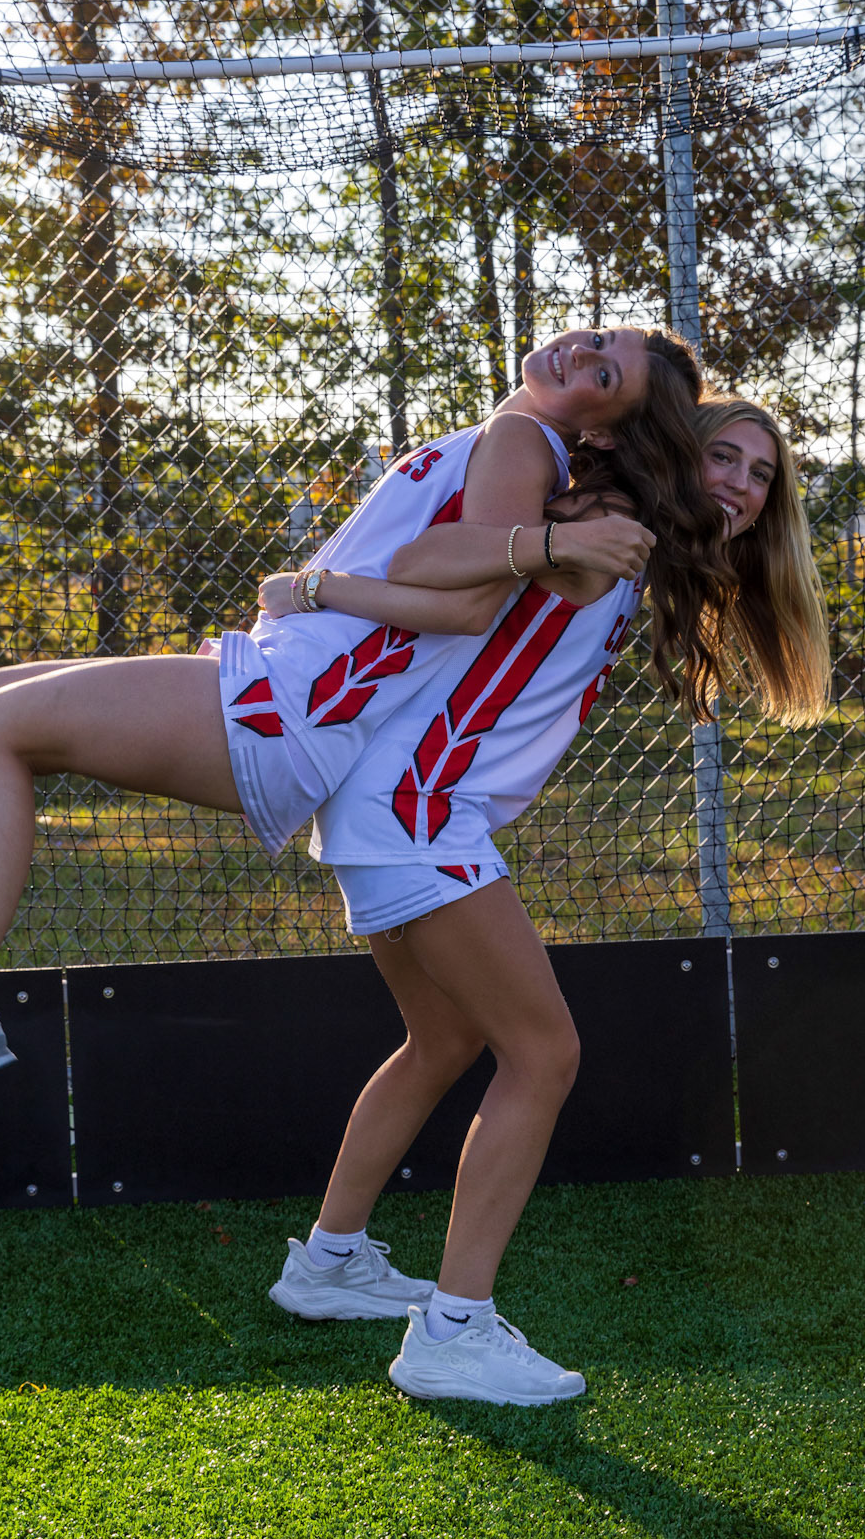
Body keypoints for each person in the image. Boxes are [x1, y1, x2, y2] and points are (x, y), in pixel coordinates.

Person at [0, 326, 700, 1108]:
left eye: (604, 374)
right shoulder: (511, 438)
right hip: (285, 686)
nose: (580, 354)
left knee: (2, 726)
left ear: (600, 429)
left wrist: (315, 590)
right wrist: (317, 592)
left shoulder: (521, 438)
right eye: (597, 339)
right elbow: (457, 576)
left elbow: (469, 606)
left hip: (295, 704)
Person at [258, 396, 830, 1405]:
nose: (741, 485)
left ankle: (329, 1261)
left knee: (442, 1039)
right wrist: (318, 589)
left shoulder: (637, 545)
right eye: (724, 457)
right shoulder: (605, 521)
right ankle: (454, 1329)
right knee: (543, 1051)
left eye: (760, 475)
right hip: (416, 807)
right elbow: (456, 554)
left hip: (393, 802)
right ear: (675, 456)